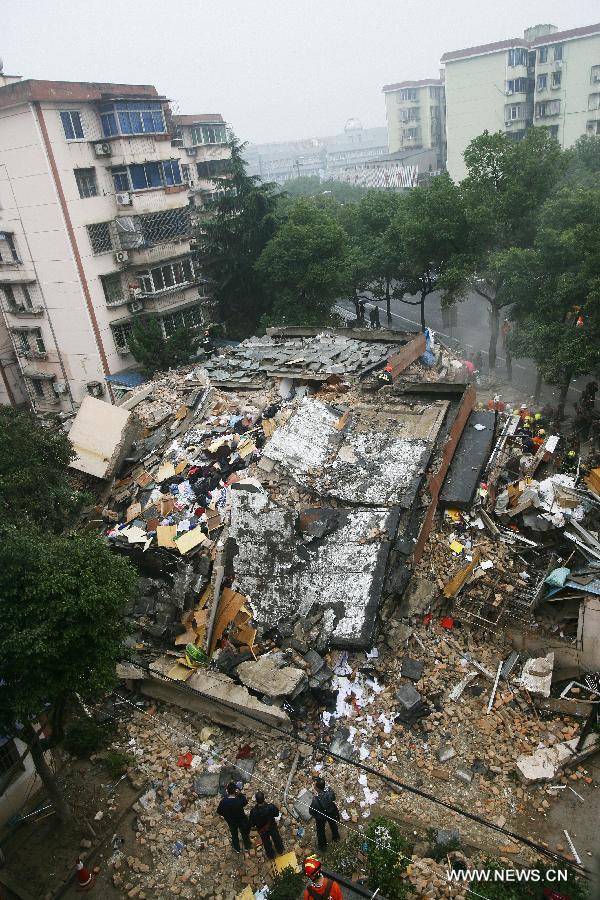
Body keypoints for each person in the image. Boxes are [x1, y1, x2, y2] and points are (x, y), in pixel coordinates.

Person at [217, 781, 252, 853]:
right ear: (235, 791)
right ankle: (247, 846)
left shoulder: (223, 801)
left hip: (231, 822)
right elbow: (245, 802)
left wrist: (226, 815)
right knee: (244, 833)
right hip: (241, 820)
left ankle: (237, 848)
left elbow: (219, 811)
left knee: (234, 835)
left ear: (227, 791)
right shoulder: (238, 800)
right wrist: (240, 794)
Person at [248, 791, 284, 860]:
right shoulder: (270, 807)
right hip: (271, 826)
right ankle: (280, 849)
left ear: (256, 800)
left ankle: (271, 855)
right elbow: (276, 814)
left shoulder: (253, 811)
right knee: (276, 838)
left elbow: (252, 823)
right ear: (264, 798)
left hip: (262, 829)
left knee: (266, 843)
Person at [309, 778, 340, 851]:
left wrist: (316, 816)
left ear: (317, 788)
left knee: (320, 831)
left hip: (321, 817)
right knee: (333, 824)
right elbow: (333, 798)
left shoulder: (315, 800)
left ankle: (322, 846)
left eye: (315, 785)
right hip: (331, 812)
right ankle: (336, 837)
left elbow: (311, 811)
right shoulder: (330, 791)